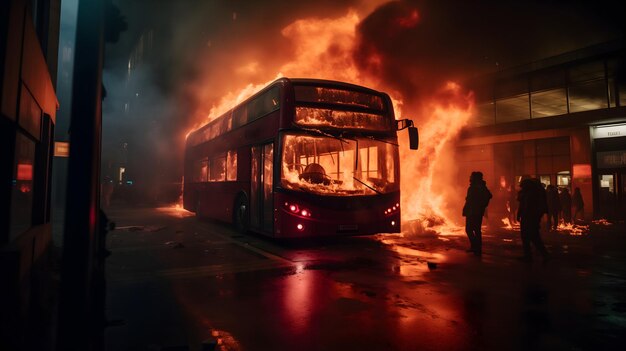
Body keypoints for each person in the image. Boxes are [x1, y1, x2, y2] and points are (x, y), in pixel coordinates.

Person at [517, 177, 550, 261]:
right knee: (526, 237)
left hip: (531, 218)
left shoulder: (533, 194)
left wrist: (536, 217)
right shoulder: (526, 193)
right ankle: (529, 255)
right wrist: (519, 214)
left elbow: (531, 206)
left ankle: (543, 254)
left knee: (533, 236)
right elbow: (522, 205)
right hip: (526, 217)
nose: (522, 187)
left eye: (523, 186)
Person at [462, 171, 492, 255]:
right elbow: (489, 195)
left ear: (474, 178)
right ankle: (476, 247)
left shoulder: (477, 187)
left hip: (473, 212)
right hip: (475, 211)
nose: (470, 178)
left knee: (469, 229)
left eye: (471, 176)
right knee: (476, 230)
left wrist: (480, 205)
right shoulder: (481, 186)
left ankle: (475, 247)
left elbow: (488, 196)